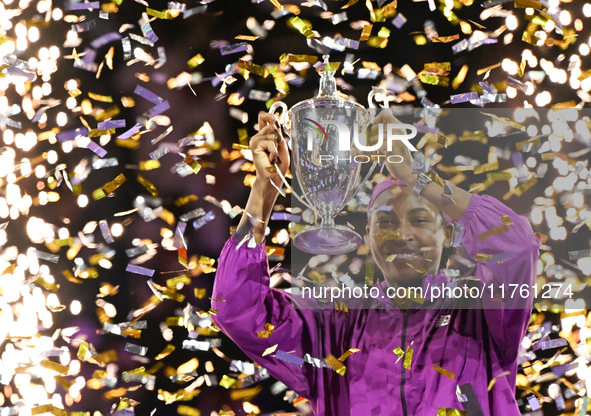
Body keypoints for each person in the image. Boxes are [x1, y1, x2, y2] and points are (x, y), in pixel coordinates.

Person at [211, 111, 541, 416]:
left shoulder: (480, 312)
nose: (402, 233)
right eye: (385, 223)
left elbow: (518, 246)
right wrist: (265, 189)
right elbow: (237, 308)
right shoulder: (333, 326)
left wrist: (418, 178)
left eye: (420, 218)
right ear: (367, 237)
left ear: (449, 234)